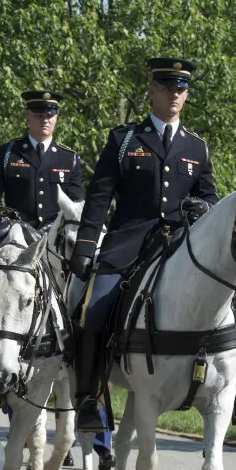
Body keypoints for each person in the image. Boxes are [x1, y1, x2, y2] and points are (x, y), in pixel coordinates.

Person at [68, 57, 218, 434]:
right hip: (128, 243)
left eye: (181, 88)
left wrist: (204, 207)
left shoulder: (196, 147)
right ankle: (88, 397)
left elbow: (210, 199)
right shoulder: (124, 141)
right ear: (151, 90)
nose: (175, 94)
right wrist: (86, 247)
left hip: (182, 245)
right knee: (94, 311)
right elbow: (100, 197)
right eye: (168, 87)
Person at [0, 90, 83, 225]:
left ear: (56, 118)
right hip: (17, 234)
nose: (45, 120)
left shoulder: (69, 157)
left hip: (55, 235)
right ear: (28, 116)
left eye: (50, 115)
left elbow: (76, 203)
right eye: (39, 115)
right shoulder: (8, 153)